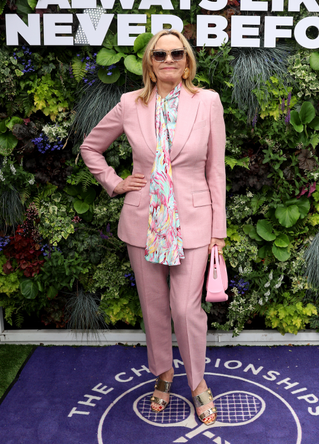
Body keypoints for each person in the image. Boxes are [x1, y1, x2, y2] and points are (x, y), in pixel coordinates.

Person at [80, 29, 226, 425]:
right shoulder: (129, 104)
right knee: (155, 307)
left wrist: (219, 228)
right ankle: (163, 374)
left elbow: (215, 169)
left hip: (194, 221)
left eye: (177, 53)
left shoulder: (208, 102)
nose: (169, 60)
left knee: (185, 308)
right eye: (160, 54)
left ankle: (198, 383)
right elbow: (90, 147)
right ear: (149, 62)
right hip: (143, 221)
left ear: (187, 59)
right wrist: (115, 181)